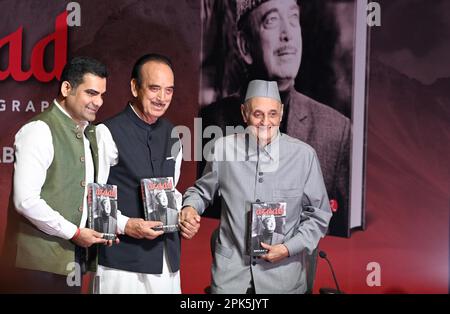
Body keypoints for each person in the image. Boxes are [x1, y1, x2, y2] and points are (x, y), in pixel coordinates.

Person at [200, 0, 351, 236]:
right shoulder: (212, 122)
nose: (287, 34)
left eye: (293, 19)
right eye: (271, 20)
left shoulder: (335, 129)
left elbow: (337, 228)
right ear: (245, 46)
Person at [183, 80, 332, 294]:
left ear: (281, 113)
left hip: (283, 280)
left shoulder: (304, 156)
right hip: (231, 277)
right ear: (244, 113)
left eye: (272, 114)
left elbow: (319, 216)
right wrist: (190, 207)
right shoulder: (223, 149)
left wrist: (288, 249)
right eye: (258, 114)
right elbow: (201, 192)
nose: (265, 122)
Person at [95, 53, 200, 294]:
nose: (162, 98)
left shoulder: (175, 134)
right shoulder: (106, 132)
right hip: (122, 264)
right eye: (154, 89)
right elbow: (94, 199)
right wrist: (126, 225)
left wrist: (185, 217)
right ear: (134, 87)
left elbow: (172, 191)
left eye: (169, 91)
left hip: (167, 262)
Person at [5, 57, 112, 293]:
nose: (99, 102)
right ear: (66, 88)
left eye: (102, 95)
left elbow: (87, 196)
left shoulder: (88, 135)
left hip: (72, 262)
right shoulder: (39, 130)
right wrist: (74, 232)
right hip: (34, 266)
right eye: (91, 93)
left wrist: (116, 225)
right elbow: (26, 201)